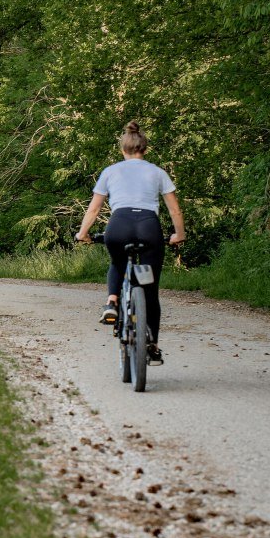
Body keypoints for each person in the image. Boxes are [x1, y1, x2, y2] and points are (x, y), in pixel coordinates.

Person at [75, 121, 186, 366]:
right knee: (151, 291)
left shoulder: (110, 171)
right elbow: (174, 209)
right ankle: (153, 346)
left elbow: (94, 208)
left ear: (123, 150)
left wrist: (83, 233)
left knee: (117, 262)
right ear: (144, 150)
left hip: (119, 225)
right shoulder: (157, 172)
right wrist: (179, 234)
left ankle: (112, 302)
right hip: (149, 228)